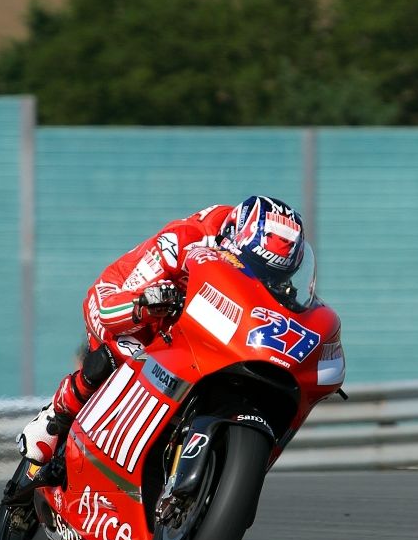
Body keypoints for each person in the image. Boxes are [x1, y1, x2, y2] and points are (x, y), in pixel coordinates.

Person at [18, 195, 306, 464]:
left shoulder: (271, 273)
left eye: (272, 275)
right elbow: (113, 309)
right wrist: (149, 302)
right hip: (124, 294)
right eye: (255, 268)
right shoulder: (187, 238)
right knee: (129, 350)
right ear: (232, 239)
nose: (263, 278)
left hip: (186, 321)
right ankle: (56, 417)